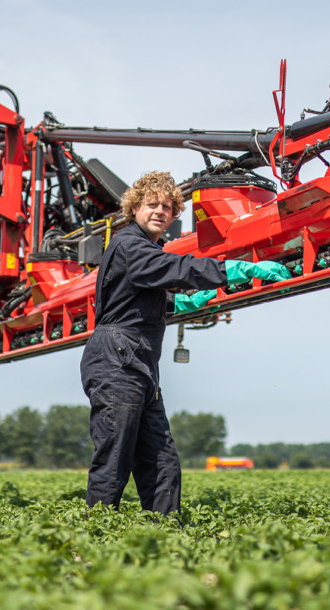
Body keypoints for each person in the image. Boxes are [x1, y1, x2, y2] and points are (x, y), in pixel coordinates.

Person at [80, 171, 291, 514]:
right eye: (152, 204)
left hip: (139, 362)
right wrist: (233, 270)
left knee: (161, 459)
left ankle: (164, 533)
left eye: (167, 206)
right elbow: (176, 268)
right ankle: (94, 535)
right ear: (134, 208)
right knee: (115, 453)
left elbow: (135, 300)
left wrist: (178, 304)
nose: (160, 211)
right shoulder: (130, 245)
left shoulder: (145, 249)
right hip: (117, 359)